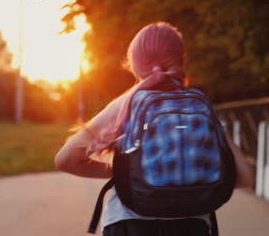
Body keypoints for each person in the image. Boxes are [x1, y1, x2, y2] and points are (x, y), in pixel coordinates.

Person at [54, 22, 255, 236]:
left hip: (129, 225)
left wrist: (131, 173)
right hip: (191, 226)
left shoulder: (125, 105)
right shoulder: (201, 109)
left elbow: (65, 159)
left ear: (134, 65)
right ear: (182, 59)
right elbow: (245, 178)